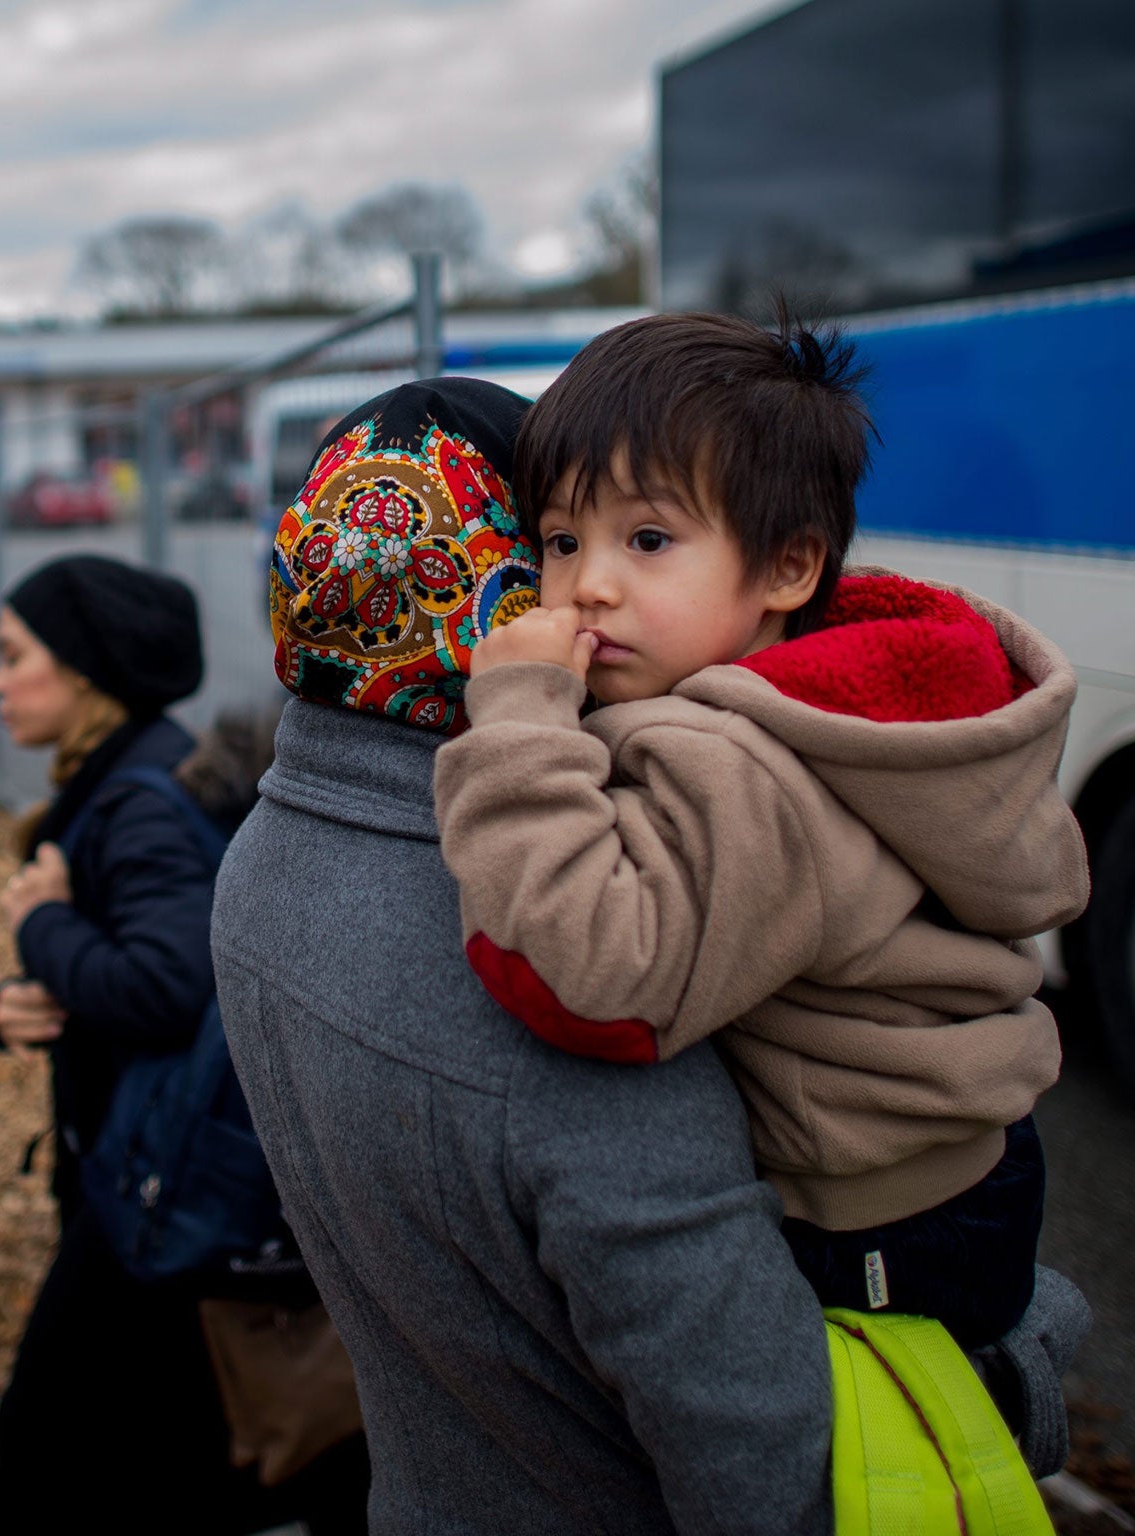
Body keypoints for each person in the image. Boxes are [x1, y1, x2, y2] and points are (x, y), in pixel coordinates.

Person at [217, 378, 836, 1532]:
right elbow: (764, 1466)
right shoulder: (542, 951)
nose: (597, 583)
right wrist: (1012, 1362)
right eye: (560, 542)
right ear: (508, 591)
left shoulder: (258, 854)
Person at [433, 313, 1090, 1349]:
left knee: (844, 1469)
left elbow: (591, 984)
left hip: (872, 1223)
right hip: (948, 1176)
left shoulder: (748, 767)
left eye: (646, 540)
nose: (587, 582)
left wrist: (517, 718)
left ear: (787, 568)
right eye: (560, 541)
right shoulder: (827, 695)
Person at [0, 554, 366, 1536]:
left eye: (13, 655)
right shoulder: (138, 775)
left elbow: (167, 983)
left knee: (57, 1449)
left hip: (152, 1192)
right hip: (153, 1175)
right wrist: (16, 999)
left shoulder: (140, 800)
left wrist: (39, 927)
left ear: (84, 670)